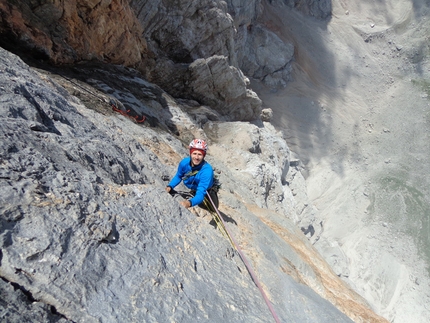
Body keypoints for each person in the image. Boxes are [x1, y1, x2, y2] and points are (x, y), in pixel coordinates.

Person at [165, 139, 219, 211]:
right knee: (197, 197)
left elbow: (200, 193)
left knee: (213, 208)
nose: (196, 157)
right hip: (194, 187)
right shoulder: (184, 163)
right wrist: (170, 186)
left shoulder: (207, 171)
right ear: (190, 153)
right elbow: (179, 176)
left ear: (204, 156)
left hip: (207, 190)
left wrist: (189, 203)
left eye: (200, 154)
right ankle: (193, 192)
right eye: (194, 153)